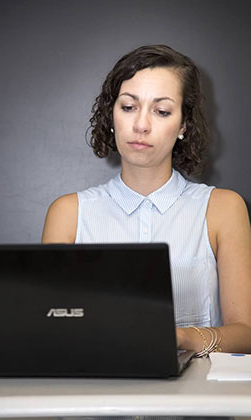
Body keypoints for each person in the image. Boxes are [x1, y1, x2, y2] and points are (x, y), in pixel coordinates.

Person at [42, 45, 251, 356]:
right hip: (97, 395)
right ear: (111, 115)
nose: (141, 125)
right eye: (128, 107)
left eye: (161, 111)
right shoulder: (69, 213)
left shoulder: (223, 208)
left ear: (183, 125)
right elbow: (48, 326)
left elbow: (245, 334)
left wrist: (183, 338)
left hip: (197, 400)